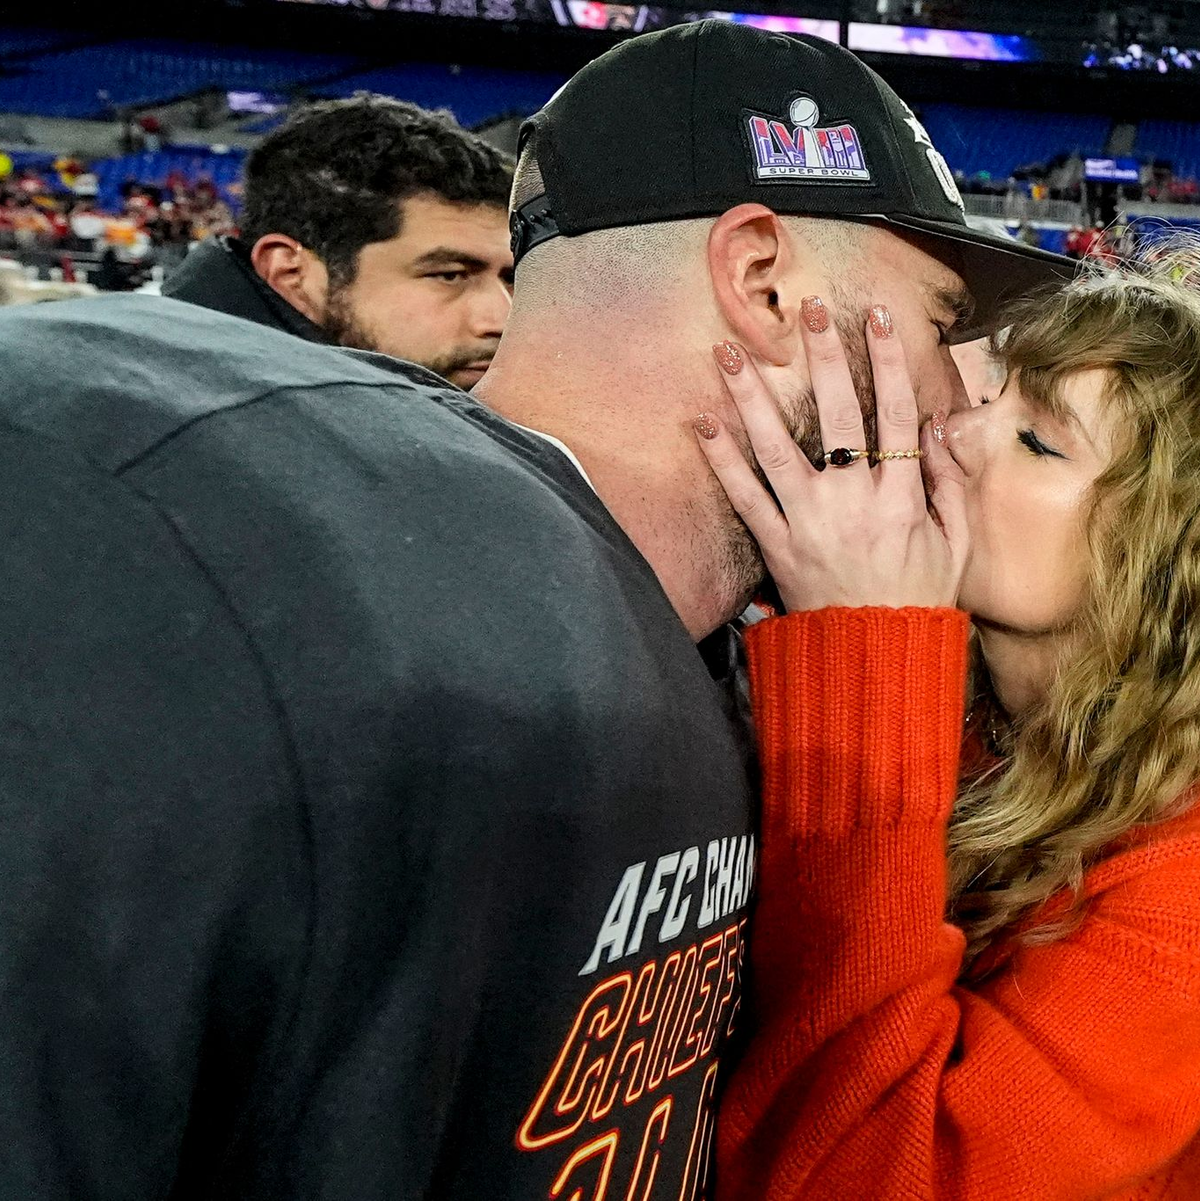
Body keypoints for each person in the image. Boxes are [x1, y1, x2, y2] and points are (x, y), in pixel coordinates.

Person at [0, 23, 1069, 1201]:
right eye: (941, 320)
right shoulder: (220, 520)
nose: (954, 401)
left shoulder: (725, 632)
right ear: (765, 283)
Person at [696, 253, 1200, 1197]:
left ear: (1168, 564)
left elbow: (862, 1173)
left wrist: (861, 652)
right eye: (989, 395)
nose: (954, 433)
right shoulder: (990, 733)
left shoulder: (1184, 883)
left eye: (1039, 442)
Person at [163, 94, 514, 390]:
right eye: (450, 275)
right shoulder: (172, 431)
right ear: (290, 275)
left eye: (511, 279)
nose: (502, 320)